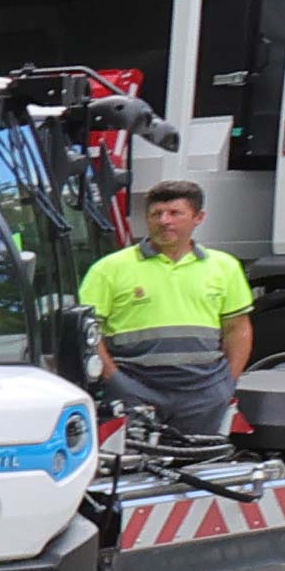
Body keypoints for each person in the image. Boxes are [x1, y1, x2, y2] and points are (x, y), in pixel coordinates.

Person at [82, 179, 248, 443]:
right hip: (135, 388)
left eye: (175, 213)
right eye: (156, 214)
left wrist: (227, 383)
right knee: (128, 469)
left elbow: (237, 328)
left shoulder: (224, 267)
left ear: (198, 217)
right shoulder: (109, 269)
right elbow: (89, 330)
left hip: (203, 392)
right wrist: (113, 379)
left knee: (198, 466)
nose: (164, 221)